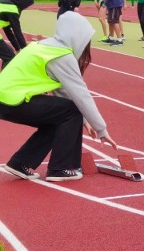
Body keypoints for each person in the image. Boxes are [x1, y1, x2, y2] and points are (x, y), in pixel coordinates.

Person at [0, 12, 117, 182]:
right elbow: (80, 95)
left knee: (60, 115)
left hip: (6, 99)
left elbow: (64, 92)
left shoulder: (45, 46)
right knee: (72, 110)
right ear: (77, 36)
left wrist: (85, 121)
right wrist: (101, 129)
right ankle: (60, 168)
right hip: (13, 99)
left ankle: (20, 162)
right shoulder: (61, 55)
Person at [0, 0, 34, 69]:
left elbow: (8, 31)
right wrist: (25, 49)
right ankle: (4, 80)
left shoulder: (5, 4)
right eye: (27, 5)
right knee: (9, 57)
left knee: (9, 52)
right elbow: (17, 31)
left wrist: (17, 48)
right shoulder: (12, 9)